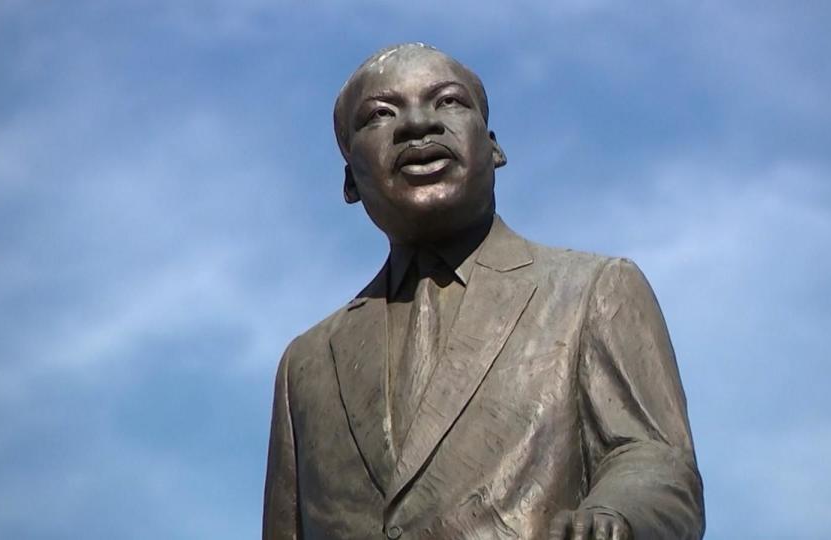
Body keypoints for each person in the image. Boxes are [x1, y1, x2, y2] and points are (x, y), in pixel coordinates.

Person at [263, 43, 704, 540]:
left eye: (447, 102)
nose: (416, 125)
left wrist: (613, 516)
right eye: (380, 115)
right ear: (349, 182)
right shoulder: (306, 365)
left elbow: (655, 460)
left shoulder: (591, 291)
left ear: (493, 149)